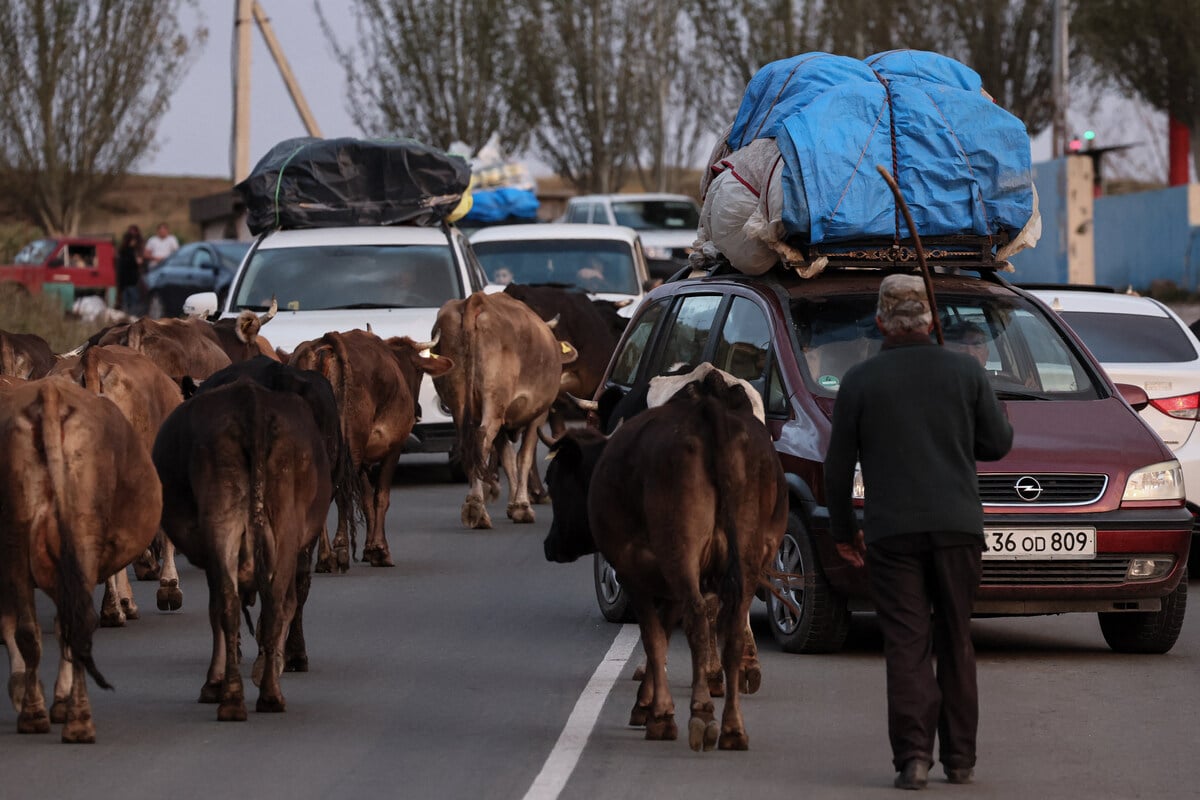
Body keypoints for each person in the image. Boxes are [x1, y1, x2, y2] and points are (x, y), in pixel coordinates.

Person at [824, 274, 1013, 791]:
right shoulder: (964, 372)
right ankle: (960, 760)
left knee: (906, 645)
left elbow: (836, 470)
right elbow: (997, 445)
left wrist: (843, 531)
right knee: (956, 639)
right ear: (931, 321)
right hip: (958, 528)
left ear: (881, 322)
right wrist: (987, 408)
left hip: (891, 534)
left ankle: (913, 759)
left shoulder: (859, 381)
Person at [116, 224, 145, 313]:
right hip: (131, 279)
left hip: (126, 279)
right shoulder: (130, 251)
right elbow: (134, 263)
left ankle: (127, 313)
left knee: (127, 299)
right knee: (133, 299)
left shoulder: (123, 250)